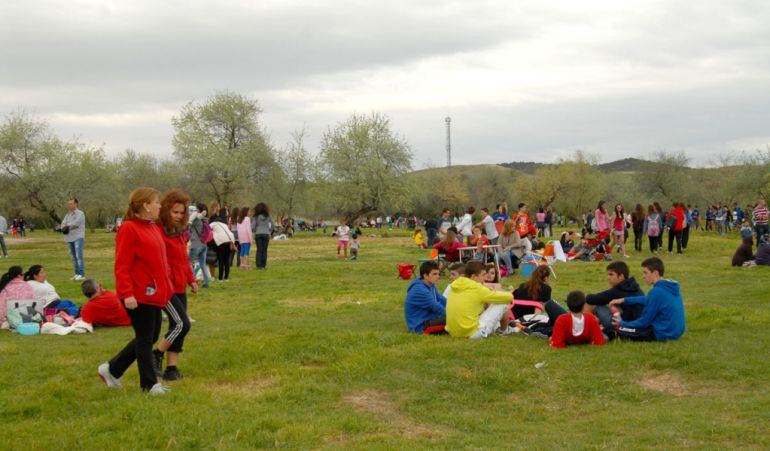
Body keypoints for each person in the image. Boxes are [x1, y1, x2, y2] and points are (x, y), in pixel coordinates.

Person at [98, 187, 173, 394]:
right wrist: (127, 293)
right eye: (156, 202)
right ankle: (149, 384)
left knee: (150, 335)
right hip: (138, 295)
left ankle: (112, 369)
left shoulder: (152, 227)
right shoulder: (129, 229)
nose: (160, 206)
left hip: (153, 293)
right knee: (145, 338)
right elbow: (122, 264)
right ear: (145, 205)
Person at [152, 189, 196, 381]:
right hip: (166, 286)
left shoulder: (179, 232)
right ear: (167, 210)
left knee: (176, 326)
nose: (178, 216)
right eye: (175, 212)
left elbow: (183, 259)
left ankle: (171, 369)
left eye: (181, 213)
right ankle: (157, 354)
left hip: (180, 286)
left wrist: (191, 279)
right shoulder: (158, 231)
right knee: (182, 324)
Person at [609, 257, 686, 342]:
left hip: (662, 334)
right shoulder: (669, 286)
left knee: (616, 328)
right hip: (675, 332)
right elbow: (648, 299)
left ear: (655, 273)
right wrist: (624, 300)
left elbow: (644, 322)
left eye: (645, 273)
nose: (643, 277)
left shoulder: (657, 292)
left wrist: (621, 323)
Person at [445, 260, 514, 339]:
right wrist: (507, 293)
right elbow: (509, 297)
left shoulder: (455, 285)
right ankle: (504, 331)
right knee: (503, 304)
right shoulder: (477, 288)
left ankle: (500, 329)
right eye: (483, 275)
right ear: (474, 277)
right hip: (471, 334)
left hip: (453, 332)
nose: (485, 277)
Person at [585, 261, 645, 330]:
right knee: (609, 303)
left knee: (594, 304)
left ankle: (586, 329)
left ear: (621, 276)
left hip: (623, 325)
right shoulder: (634, 286)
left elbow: (590, 298)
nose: (608, 278)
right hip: (637, 323)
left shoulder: (618, 290)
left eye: (611, 274)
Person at [404, 261, 447, 333]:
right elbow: (437, 308)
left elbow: (441, 299)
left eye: (438, 274)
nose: (438, 276)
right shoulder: (419, 290)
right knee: (454, 320)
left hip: (429, 319)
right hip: (421, 326)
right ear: (425, 276)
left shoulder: (431, 285)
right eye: (434, 274)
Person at [61, 198, 86, 280]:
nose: (70, 205)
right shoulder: (68, 215)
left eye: (72, 203)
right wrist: (64, 226)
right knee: (73, 257)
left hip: (78, 237)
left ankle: (81, 274)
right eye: (69, 204)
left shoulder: (80, 213)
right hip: (69, 237)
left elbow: (76, 223)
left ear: (76, 204)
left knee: (79, 255)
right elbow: (63, 224)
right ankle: (77, 273)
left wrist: (67, 226)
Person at [188, 204, 211, 288]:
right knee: (203, 264)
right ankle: (206, 283)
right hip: (204, 244)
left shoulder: (195, 220)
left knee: (189, 262)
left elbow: (188, 228)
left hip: (196, 244)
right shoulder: (205, 220)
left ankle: (194, 281)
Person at [210, 208, 235, 281]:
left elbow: (208, 230)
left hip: (221, 243)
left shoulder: (213, 224)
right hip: (229, 241)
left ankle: (220, 278)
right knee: (226, 261)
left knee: (221, 260)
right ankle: (226, 277)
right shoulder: (224, 224)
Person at [253, 203, 274, 270]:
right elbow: (273, 224)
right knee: (264, 250)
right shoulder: (268, 216)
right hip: (266, 234)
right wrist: (269, 230)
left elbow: (253, 227)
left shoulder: (256, 216)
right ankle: (263, 266)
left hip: (258, 234)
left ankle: (258, 266)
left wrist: (255, 230)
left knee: (259, 250)